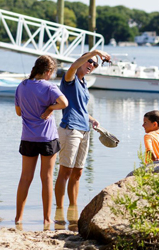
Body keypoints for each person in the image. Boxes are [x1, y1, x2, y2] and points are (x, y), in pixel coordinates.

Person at [15, 55, 68, 225]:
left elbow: (18, 112)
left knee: (25, 178)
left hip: (28, 137)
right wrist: (50, 107)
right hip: (47, 138)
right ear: (48, 71)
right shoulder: (50, 87)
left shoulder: (22, 86)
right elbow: (64, 103)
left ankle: (18, 218)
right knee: (46, 177)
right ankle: (46, 219)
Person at [55, 50, 111, 208]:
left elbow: (81, 110)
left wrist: (92, 120)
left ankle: (73, 209)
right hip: (70, 129)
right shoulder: (70, 79)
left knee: (77, 173)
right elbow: (73, 67)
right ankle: (59, 211)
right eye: (90, 61)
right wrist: (96, 52)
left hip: (84, 130)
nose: (92, 65)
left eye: (95, 64)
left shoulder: (84, 84)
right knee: (65, 172)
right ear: (82, 61)